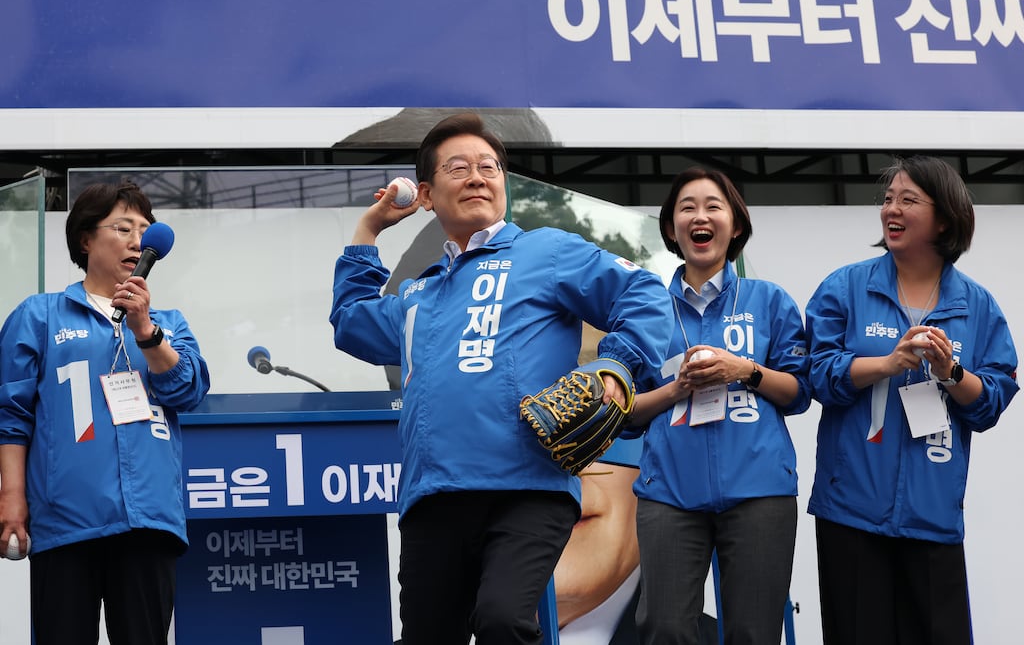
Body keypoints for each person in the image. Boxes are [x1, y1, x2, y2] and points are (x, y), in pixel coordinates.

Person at [330, 111, 673, 645]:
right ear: (424, 194)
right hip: (435, 494)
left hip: (528, 487)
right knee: (427, 636)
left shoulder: (547, 251)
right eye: (458, 168)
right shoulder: (419, 294)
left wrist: (617, 366)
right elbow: (351, 324)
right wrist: (368, 230)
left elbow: (645, 295)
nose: (477, 177)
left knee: (503, 622)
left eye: (488, 166)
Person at [804, 155, 1018, 644]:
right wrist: (889, 362)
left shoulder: (977, 305)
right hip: (851, 511)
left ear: (944, 218)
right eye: (887, 199)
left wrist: (950, 372)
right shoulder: (846, 286)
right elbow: (816, 375)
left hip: (933, 514)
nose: (890, 210)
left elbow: (991, 401)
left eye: (907, 200)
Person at [0, 181, 211, 645]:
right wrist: (11, 498)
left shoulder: (168, 322)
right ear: (85, 239)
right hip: (65, 522)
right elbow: (10, 416)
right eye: (123, 227)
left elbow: (190, 391)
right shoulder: (39, 316)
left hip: (148, 522)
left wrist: (146, 331)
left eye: (144, 229)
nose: (138, 240)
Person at [625, 167, 811, 645]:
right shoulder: (645, 308)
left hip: (759, 488)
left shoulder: (769, 300)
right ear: (670, 228)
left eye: (713, 206)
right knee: (662, 629)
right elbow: (624, 416)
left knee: (754, 631)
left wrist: (744, 370)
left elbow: (800, 392)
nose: (700, 216)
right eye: (687, 207)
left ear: (736, 225)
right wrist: (674, 390)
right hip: (668, 491)